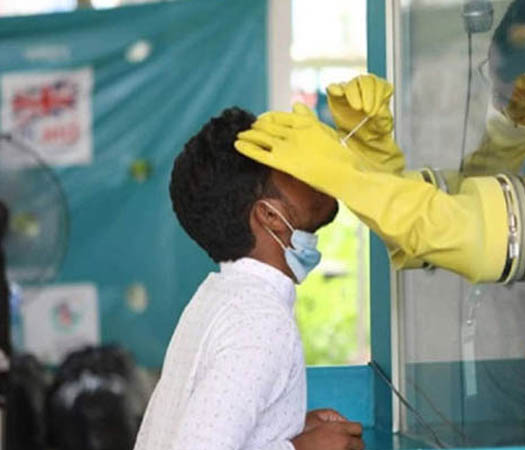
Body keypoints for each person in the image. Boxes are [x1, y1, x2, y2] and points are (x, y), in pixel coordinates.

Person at [133, 107, 365, 450]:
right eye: (292, 166)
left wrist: (285, 429)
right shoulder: (259, 321)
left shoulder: (221, 297)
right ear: (270, 215)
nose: (310, 170)